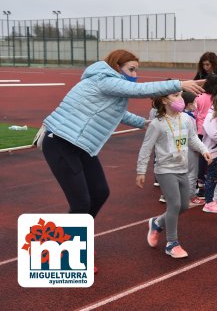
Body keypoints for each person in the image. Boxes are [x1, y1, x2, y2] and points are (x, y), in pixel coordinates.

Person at [41, 49, 204, 270]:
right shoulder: (104, 80)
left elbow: (118, 113)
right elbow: (139, 90)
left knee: (100, 192)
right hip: (60, 141)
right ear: (117, 67)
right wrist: (178, 85)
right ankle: (70, 248)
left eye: (137, 69)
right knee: (80, 202)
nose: (135, 74)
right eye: (131, 69)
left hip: (80, 146)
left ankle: (76, 238)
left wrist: (143, 123)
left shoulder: (110, 86)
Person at [136, 91, 212, 258]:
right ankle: (172, 243)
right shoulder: (158, 124)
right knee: (174, 205)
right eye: (175, 96)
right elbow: (146, 147)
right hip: (165, 170)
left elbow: (192, 138)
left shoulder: (185, 119)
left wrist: (204, 150)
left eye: (180, 95)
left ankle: (157, 223)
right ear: (164, 100)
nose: (180, 99)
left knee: (184, 205)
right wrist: (141, 170)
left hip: (182, 168)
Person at [195, 74, 217, 198]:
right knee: (214, 157)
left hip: (201, 130)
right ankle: (213, 183)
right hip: (213, 131)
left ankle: (201, 185)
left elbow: (195, 113)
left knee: (202, 158)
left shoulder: (200, 97)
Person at [182, 91, 205, 207]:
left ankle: (185, 194)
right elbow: (192, 136)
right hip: (190, 149)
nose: (196, 104)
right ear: (189, 104)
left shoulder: (184, 115)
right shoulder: (188, 118)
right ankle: (190, 196)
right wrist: (199, 148)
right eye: (194, 102)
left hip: (184, 148)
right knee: (192, 173)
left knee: (186, 173)